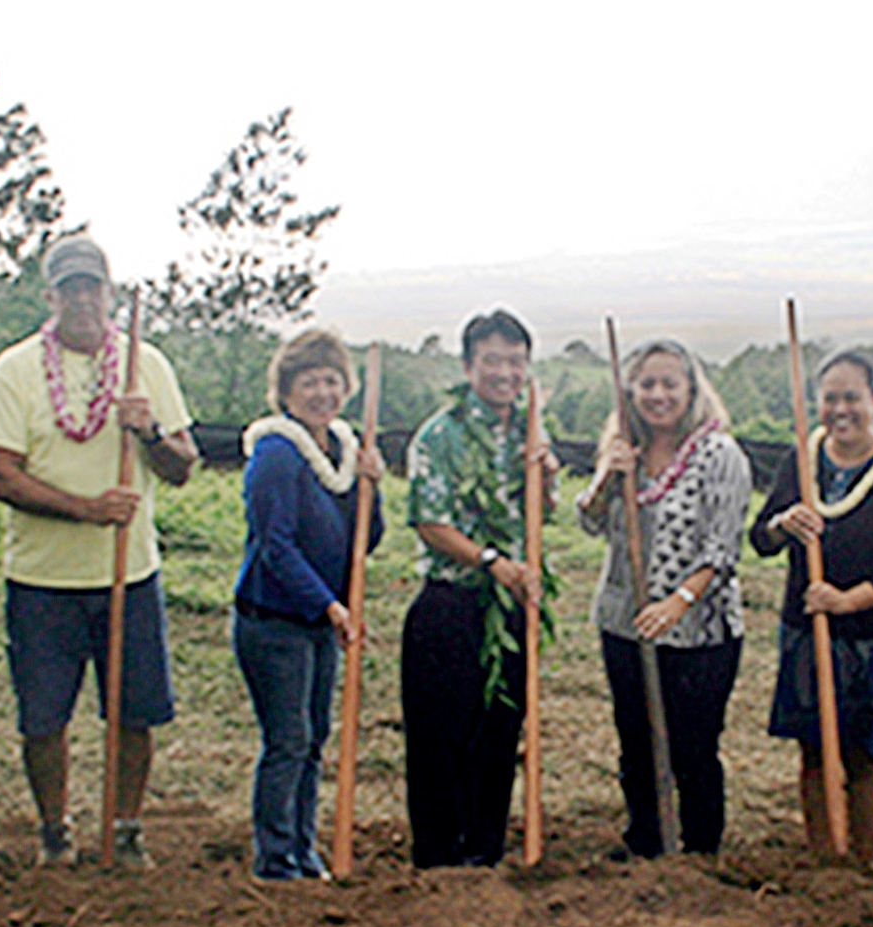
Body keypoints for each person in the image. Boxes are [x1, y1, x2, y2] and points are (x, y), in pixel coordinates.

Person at [0, 234, 200, 867]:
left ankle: (125, 829)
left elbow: (183, 467)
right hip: (42, 581)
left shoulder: (144, 364)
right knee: (43, 717)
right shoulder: (14, 369)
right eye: (68, 287)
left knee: (135, 712)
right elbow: (1, 476)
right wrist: (84, 510)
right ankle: (55, 831)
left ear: (109, 293)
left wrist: (148, 430)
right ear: (50, 296)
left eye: (92, 286)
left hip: (130, 575)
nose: (82, 299)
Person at [749, 350, 873, 861]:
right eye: (830, 398)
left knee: (862, 752)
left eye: (852, 397)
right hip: (806, 629)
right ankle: (825, 857)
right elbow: (759, 540)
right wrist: (784, 523)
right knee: (812, 748)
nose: (840, 409)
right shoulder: (801, 462)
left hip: (872, 635)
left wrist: (849, 600)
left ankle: (863, 861)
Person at [576, 339, 750, 858]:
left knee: (692, 747)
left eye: (669, 383)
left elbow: (722, 548)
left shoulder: (720, 454)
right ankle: (646, 842)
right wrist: (610, 474)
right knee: (636, 743)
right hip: (624, 622)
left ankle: (698, 852)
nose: (658, 394)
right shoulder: (622, 447)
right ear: (631, 390)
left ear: (691, 389)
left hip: (700, 632)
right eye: (647, 383)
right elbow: (589, 520)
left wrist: (676, 603)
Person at [400, 308, 556, 868]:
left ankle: (485, 852)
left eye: (516, 361)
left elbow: (540, 512)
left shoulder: (530, 432)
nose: (505, 373)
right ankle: (439, 858)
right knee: (442, 737)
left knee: (499, 732)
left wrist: (550, 474)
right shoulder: (439, 435)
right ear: (469, 366)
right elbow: (430, 521)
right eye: (493, 360)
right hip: (451, 602)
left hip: (511, 604)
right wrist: (491, 561)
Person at [233, 329, 385, 881]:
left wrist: (374, 487)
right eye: (309, 381)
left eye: (331, 380)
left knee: (314, 737)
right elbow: (276, 546)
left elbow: (365, 540)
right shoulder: (275, 454)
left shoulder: (342, 450)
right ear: (287, 390)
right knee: (288, 739)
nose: (322, 392)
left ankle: (304, 848)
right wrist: (328, 605)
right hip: (274, 621)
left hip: (321, 621)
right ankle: (275, 859)